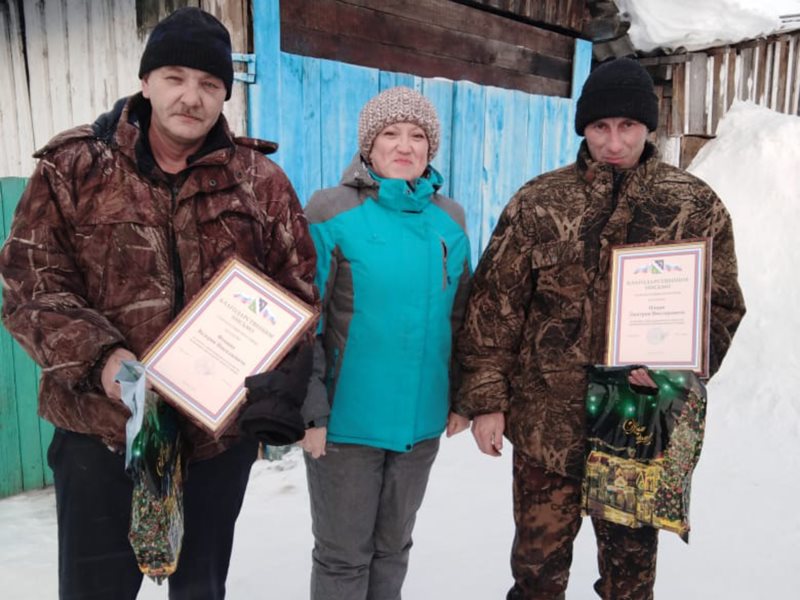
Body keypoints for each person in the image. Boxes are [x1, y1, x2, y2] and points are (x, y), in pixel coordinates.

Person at [0, 7, 316, 599]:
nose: (190, 97)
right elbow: (30, 286)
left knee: (199, 590)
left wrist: (274, 391)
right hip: (102, 433)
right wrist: (103, 359)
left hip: (214, 442)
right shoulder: (75, 168)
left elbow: (294, 295)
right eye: (174, 76)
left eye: (210, 84)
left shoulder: (260, 181)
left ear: (225, 94)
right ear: (145, 82)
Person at [454, 57, 746, 600]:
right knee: (537, 574)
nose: (614, 142)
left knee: (630, 581)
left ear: (647, 127)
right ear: (584, 129)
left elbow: (721, 305)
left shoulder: (693, 206)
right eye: (600, 127)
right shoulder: (539, 203)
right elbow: (495, 307)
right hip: (547, 425)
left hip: (638, 427)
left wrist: (674, 369)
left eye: (628, 126)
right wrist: (487, 401)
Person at [298, 86, 472, 600]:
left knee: (394, 548)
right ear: (368, 145)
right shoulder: (330, 212)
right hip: (346, 424)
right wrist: (311, 410)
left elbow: (463, 316)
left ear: (430, 148)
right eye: (391, 133)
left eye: (417, 135)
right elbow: (305, 319)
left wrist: (464, 397)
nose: (404, 145)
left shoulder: (451, 219)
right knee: (343, 557)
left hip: (420, 426)